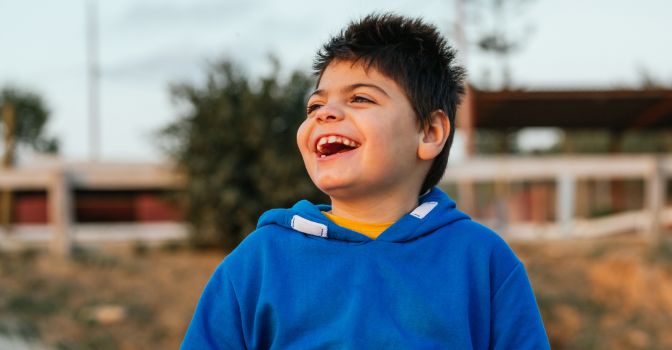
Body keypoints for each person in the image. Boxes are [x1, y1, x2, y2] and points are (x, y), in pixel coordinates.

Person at [181, 13, 549, 349]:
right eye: (315, 106)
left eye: (359, 98)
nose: (326, 114)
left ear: (429, 132)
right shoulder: (258, 262)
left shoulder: (483, 261)